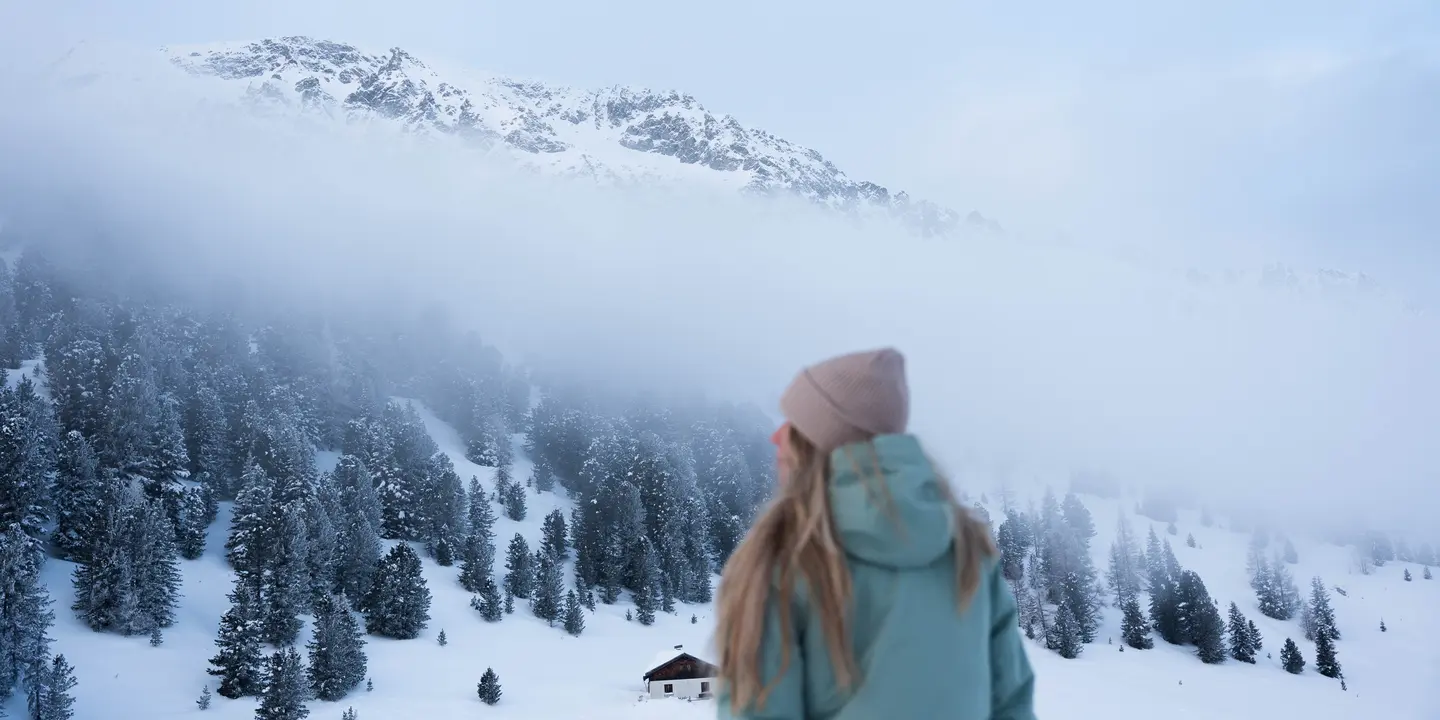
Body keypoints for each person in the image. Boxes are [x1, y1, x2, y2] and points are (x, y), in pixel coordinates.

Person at [715, 347, 1036, 720]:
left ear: (814, 444)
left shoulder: (782, 556)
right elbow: (1012, 704)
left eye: (792, 424)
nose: (776, 437)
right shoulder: (967, 549)